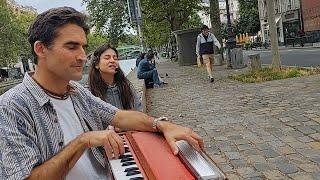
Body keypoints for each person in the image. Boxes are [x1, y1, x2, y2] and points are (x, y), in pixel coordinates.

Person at [0, 7, 204, 180]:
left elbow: (120, 116)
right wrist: (83, 141)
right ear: (41, 49)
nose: (82, 56)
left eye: (83, 47)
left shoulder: (76, 92)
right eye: (72, 46)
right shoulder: (11, 106)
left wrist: (162, 125)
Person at [88, 44, 142, 111]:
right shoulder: (89, 92)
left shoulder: (126, 86)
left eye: (115, 58)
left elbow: (138, 109)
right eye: (107, 58)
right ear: (96, 64)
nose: (112, 60)